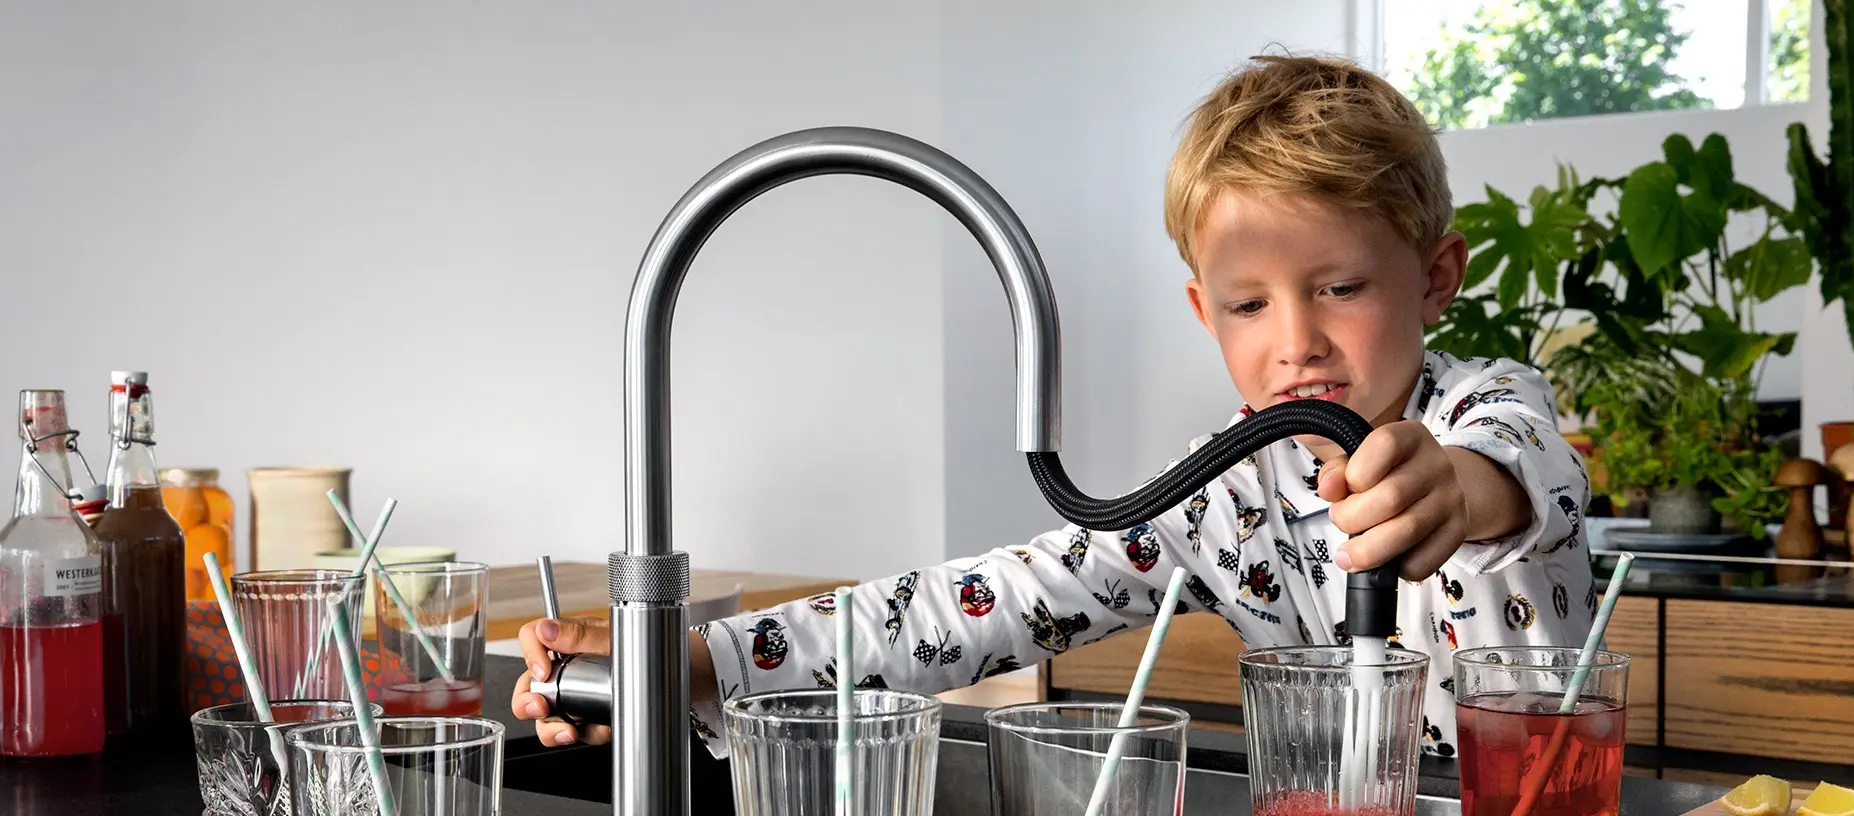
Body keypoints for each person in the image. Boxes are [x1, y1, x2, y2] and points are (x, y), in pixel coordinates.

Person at [513, 54, 1593, 760]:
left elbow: (1515, 471)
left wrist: (1450, 488)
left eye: (1342, 288)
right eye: (1248, 304)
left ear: (1437, 278)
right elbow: (981, 603)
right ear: (1200, 310)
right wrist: (690, 665)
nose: (1296, 340)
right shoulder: (1224, 495)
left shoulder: (1486, 409)